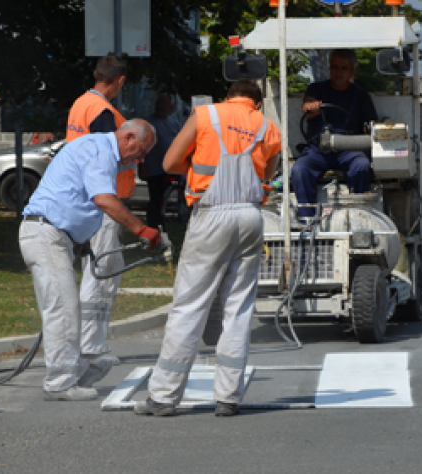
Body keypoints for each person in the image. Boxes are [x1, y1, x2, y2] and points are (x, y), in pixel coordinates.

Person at [134, 79, 281, 417]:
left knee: (190, 304)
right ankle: (229, 397)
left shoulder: (205, 115)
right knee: (238, 306)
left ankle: (163, 397)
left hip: (211, 213)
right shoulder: (268, 128)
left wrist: (200, 168)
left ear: (228, 97)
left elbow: (170, 163)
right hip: (249, 215)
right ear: (256, 104)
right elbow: (266, 181)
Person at [19, 120, 160, 401]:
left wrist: (81, 237)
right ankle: (60, 383)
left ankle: (78, 370)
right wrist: (142, 230)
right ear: (128, 137)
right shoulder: (101, 151)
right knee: (62, 308)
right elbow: (104, 199)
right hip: (46, 233)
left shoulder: (96, 147)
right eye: (141, 151)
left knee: (65, 306)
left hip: (54, 235)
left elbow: (78, 195)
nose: (140, 159)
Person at [65, 53, 133, 366]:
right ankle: (90, 344)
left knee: (105, 266)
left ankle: (92, 340)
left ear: (96, 74)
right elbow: (106, 155)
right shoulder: (103, 112)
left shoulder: (81, 103)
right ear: (120, 81)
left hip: (89, 197)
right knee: (101, 271)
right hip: (103, 200)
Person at [290, 49, 377, 222]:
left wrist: (371, 129)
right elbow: (307, 107)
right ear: (330, 69)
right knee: (300, 169)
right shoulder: (317, 89)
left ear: (352, 72)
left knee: (362, 165)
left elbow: (372, 124)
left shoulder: (361, 96)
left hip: (349, 149)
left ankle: (358, 216)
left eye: (344, 68)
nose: (338, 72)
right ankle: (307, 221)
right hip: (318, 150)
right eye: (335, 67)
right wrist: (311, 107)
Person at [140, 92, 183, 230]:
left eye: (164, 104)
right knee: (156, 200)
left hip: (171, 167)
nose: (161, 106)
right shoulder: (147, 122)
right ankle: (154, 227)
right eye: (159, 103)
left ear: (170, 107)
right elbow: (140, 146)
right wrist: (141, 166)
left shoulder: (174, 124)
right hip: (154, 169)